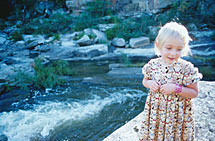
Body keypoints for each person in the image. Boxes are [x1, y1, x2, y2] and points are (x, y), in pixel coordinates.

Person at [138, 22, 202, 141]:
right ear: (158, 45)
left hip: (177, 117)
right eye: (169, 48)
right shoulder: (153, 65)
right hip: (156, 114)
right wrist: (149, 83)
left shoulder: (186, 68)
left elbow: (194, 92)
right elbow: (145, 80)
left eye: (179, 49)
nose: (173, 53)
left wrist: (176, 88)